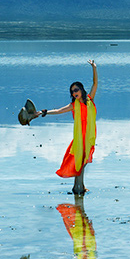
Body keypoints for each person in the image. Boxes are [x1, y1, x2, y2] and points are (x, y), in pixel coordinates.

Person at [36, 60, 98, 194]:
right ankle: (78, 188)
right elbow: (58, 111)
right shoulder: (73, 105)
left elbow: (95, 83)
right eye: (72, 91)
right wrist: (43, 112)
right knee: (80, 162)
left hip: (89, 136)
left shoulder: (89, 100)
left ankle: (79, 187)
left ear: (81, 90)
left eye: (76, 90)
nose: (74, 92)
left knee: (83, 162)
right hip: (79, 138)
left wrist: (94, 68)